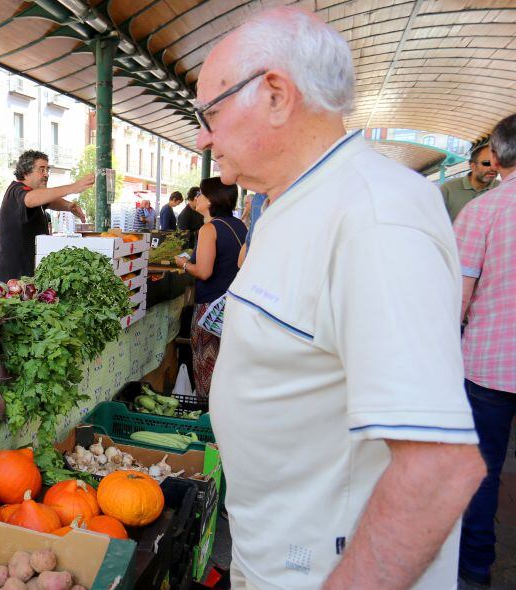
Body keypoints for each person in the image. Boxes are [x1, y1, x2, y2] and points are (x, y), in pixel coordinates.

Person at [196, 7, 484, 590]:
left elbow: (438, 469)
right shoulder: (290, 203)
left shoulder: (377, 216)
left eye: (210, 113)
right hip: (272, 552)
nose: (203, 136)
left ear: (275, 95)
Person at [452, 114, 516, 587]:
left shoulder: (483, 212)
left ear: (494, 156)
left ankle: (476, 564)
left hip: (491, 367)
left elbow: (457, 299)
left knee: (483, 467)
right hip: (491, 366)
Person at [177, 178, 246, 399]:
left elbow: (204, 272)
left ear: (211, 200)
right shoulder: (239, 225)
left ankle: (207, 413)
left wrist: (184, 264)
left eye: (201, 194)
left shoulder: (209, 229)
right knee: (228, 368)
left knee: (207, 367)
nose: (197, 198)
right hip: (232, 305)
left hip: (210, 310)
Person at [0, 150, 92, 281]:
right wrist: (72, 188)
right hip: (15, 278)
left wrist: (69, 206)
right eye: (41, 169)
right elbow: (30, 199)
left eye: (47, 170)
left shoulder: (34, 193)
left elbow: (50, 201)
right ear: (25, 172)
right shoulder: (17, 190)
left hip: (30, 275)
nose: (46, 174)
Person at [441, 144, 499, 222]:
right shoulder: (448, 189)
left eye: (497, 163)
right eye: (487, 163)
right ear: (472, 166)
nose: (493, 168)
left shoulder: (503, 190)